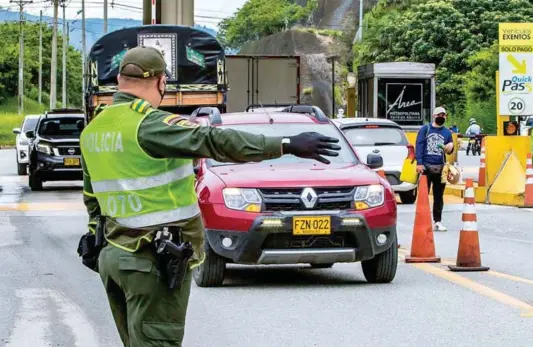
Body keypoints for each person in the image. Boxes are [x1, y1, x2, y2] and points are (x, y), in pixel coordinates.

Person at [79, 46, 341, 347]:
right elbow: (214, 140)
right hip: (150, 259)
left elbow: (92, 198)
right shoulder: (149, 125)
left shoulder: (94, 129)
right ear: (161, 81)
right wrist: (285, 144)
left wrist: (93, 240)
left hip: (114, 255)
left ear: (120, 80)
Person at [415, 107, 455, 232]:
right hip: (425, 167)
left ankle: (437, 221)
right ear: (434, 116)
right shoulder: (425, 129)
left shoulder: (447, 133)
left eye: (444, 115)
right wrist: (419, 163)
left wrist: (451, 146)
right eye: (440, 115)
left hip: (440, 167)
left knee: (439, 196)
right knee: (423, 196)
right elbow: (419, 145)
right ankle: (422, 220)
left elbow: (449, 149)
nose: (442, 117)